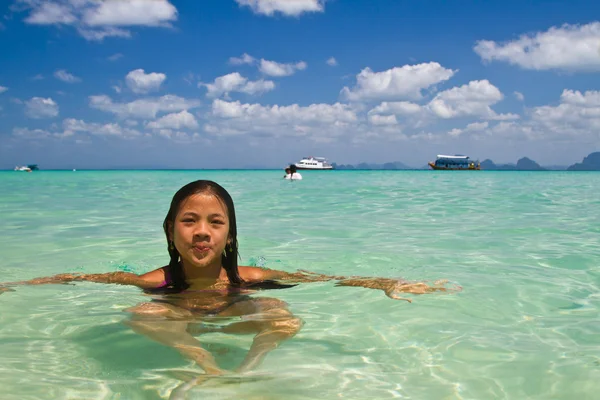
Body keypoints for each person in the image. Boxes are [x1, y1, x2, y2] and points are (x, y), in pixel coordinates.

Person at [0, 180, 457, 376]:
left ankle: (246, 372)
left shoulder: (250, 277)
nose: (201, 231)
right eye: (189, 220)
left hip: (236, 317)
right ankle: (207, 368)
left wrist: (386, 284)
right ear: (169, 229)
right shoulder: (155, 282)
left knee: (281, 314)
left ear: (230, 234)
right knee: (140, 313)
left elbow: (329, 278)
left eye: (215, 222)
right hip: (181, 323)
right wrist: (15, 285)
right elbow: (81, 277)